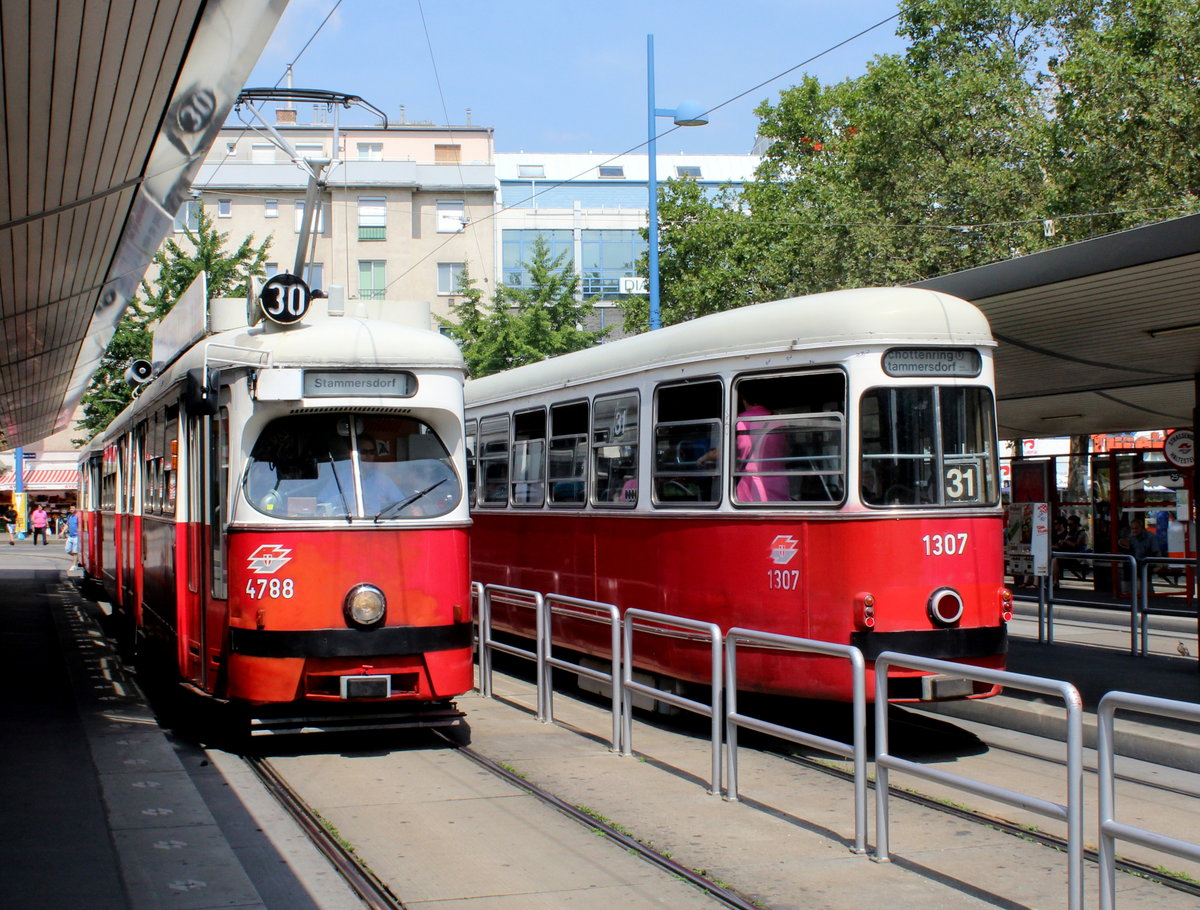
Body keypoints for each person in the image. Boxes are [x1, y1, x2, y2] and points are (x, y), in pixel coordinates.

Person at [733, 393, 791, 502]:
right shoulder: (779, 421)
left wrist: (704, 458)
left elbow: (726, 452)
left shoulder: (740, 420)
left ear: (744, 400)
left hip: (751, 484)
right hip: (780, 482)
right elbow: (787, 452)